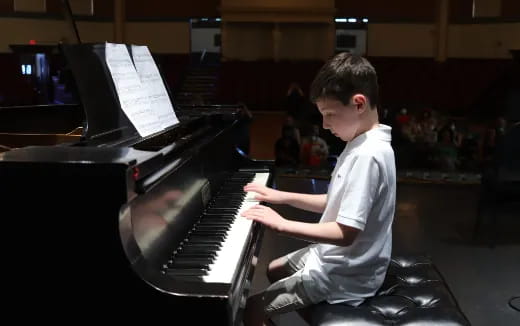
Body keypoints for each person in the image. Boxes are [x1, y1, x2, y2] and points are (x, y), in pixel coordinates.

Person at [241, 53, 396, 326]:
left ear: (358, 103)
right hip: (339, 259)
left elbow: (345, 233)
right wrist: (283, 196)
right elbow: (335, 201)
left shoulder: (368, 155)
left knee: (251, 310)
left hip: (347, 272)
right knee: (273, 268)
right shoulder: (363, 140)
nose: (325, 125)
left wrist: (283, 224)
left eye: (330, 115)